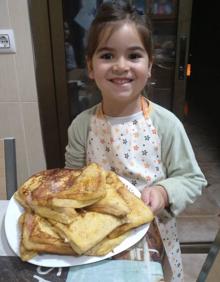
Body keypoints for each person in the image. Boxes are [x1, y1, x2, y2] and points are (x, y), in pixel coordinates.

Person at [65, 1, 207, 281]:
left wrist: (165, 192)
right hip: (99, 235)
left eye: (133, 55)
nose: (121, 66)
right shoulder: (82, 126)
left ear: (149, 65)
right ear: (90, 67)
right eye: (107, 55)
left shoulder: (166, 125)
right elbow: (73, 182)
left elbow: (192, 178)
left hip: (153, 236)